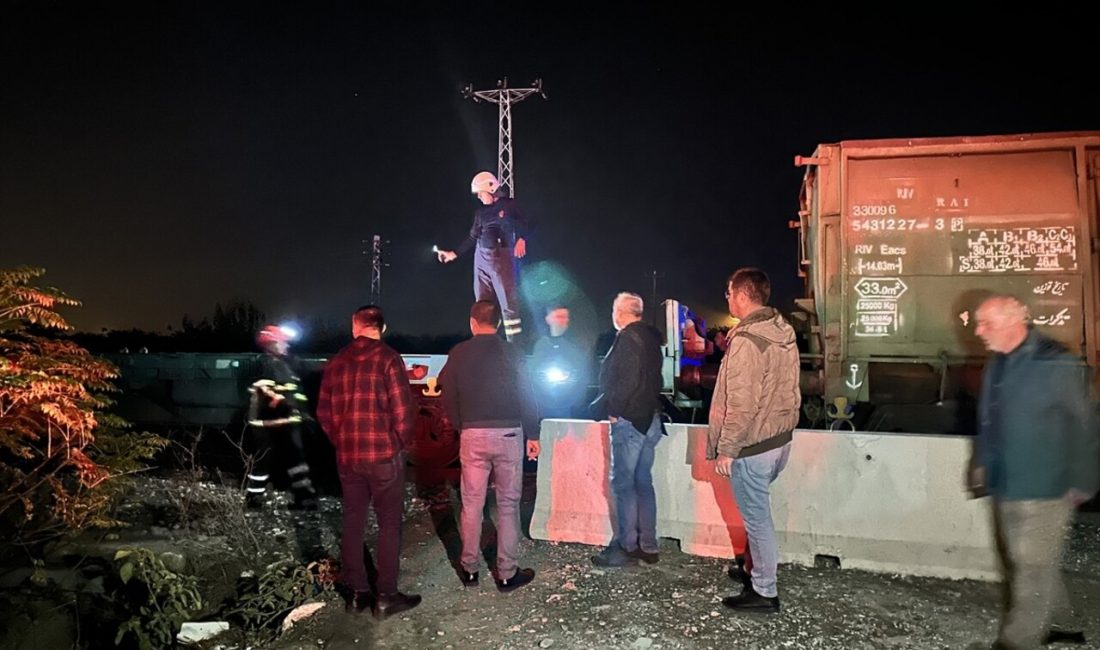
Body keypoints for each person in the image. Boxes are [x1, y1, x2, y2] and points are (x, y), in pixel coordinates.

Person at [968, 295, 1098, 649]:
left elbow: (1086, 426)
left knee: (1031, 568)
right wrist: (982, 463)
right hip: (1006, 481)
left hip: (1047, 486)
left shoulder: (1056, 363)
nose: (978, 331)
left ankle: (1016, 642)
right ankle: (1063, 623)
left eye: (986, 323)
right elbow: (989, 420)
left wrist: (1084, 482)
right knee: (1024, 561)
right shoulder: (998, 364)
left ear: (1015, 322)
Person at [316, 305, 421, 619]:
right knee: (389, 525)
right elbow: (404, 413)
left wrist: (343, 440)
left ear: (355, 326)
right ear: (382, 328)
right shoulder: (389, 358)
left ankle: (357, 593)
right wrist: (396, 445)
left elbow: (323, 413)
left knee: (352, 522)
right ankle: (386, 596)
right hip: (383, 457)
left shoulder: (336, 362)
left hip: (348, 456)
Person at [707, 268, 800, 614]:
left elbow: (741, 404)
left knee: (757, 519)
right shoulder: (782, 331)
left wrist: (728, 449)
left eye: (730, 292)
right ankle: (753, 569)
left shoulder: (747, 341)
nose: (727, 298)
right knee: (757, 514)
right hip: (778, 440)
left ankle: (764, 591)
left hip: (753, 446)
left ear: (743, 295)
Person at [438, 300, 541, 592]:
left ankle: (470, 570)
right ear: (498, 324)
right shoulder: (512, 352)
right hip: (509, 434)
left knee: (471, 504)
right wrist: (533, 434)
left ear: (472, 323)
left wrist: (461, 425)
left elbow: (447, 393)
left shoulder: (458, 353)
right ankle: (507, 574)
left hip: (473, 436)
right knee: (508, 505)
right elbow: (527, 394)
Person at [589, 292, 665, 568]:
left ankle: (625, 546)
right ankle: (649, 545)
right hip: (650, 420)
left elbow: (625, 380)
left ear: (620, 312)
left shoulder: (628, 338)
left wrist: (613, 411)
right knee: (643, 483)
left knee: (623, 486)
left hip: (630, 421)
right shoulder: (651, 338)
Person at [436, 171, 529, 343]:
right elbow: (472, 237)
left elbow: (527, 222)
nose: (479, 197)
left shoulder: (509, 206)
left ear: (491, 188)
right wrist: (454, 254)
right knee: (482, 305)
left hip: (502, 257)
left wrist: (522, 239)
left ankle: (514, 346)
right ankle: (482, 342)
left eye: (480, 192)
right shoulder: (480, 213)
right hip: (481, 258)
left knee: (508, 304)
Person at [245, 324, 318, 510]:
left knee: (296, 461)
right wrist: (289, 404)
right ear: (271, 344)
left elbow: (296, 391)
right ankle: (253, 498)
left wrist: (303, 412)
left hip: (287, 422)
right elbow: (270, 392)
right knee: (264, 462)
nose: (286, 346)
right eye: (281, 342)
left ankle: (303, 498)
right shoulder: (264, 365)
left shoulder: (285, 364)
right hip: (266, 424)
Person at [530, 305, 590, 420]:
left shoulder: (575, 345)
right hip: (542, 405)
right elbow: (534, 372)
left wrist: (576, 401)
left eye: (565, 317)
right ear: (548, 319)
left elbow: (582, 373)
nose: (563, 321)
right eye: (559, 316)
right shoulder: (541, 345)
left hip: (567, 406)